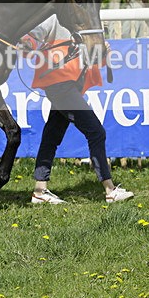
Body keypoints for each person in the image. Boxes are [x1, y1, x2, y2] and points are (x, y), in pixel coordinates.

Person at [20, 16, 134, 204]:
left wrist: (102, 53)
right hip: (60, 85)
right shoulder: (55, 17)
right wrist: (27, 43)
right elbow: (32, 37)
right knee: (96, 132)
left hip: (67, 85)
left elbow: (92, 60)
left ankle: (39, 191)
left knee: (51, 136)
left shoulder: (85, 23)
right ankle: (110, 190)